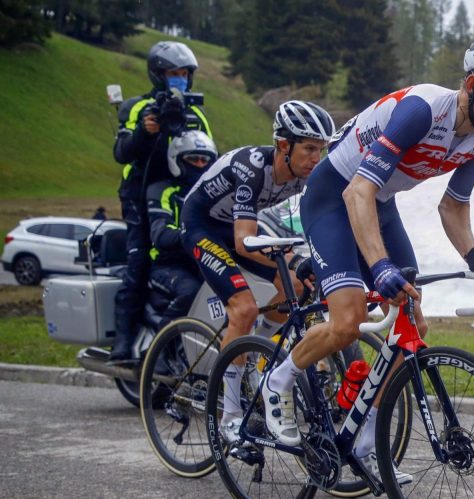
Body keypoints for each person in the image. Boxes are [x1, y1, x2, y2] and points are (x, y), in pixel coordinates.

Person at [259, 32, 474, 482]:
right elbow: (357, 190)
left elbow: (452, 206)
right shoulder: (422, 111)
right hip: (335, 194)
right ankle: (279, 380)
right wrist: (381, 265)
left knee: (412, 324)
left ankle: (366, 440)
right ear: (471, 85)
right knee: (348, 320)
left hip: (379, 203)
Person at [180, 100, 335, 443]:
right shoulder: (251, 167)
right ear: (283, 145)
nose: (316, 158)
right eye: (309, 148)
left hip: (237, 228)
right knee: (244, 307)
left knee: (297, 285)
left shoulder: (304, 176)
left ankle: (256, 353)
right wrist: (293, 258)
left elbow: (317, 224)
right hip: (201, 226)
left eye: (320, 150)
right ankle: (230, 415)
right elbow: (243, 241)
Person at [109, 41, 212, 364]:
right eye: (172, 73)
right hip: (141, 197)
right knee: (138, 263)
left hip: (184, 195)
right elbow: (121, 152)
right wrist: (145, 131)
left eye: (184, 73)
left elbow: (209, 153)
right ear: (158, 74)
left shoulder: (195, 113)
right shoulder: (138, 108)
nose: (179, 78)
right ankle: (123, 344)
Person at [146, 131, 217, 330]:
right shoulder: (163, 191)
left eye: (206, 160)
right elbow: (160, 235)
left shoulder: (213, 194)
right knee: (191, 293)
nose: (201, 165)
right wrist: (194, 234)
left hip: (203, 261)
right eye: (194, 159)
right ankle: (160, 353)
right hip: (168, 265)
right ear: (176, 161)